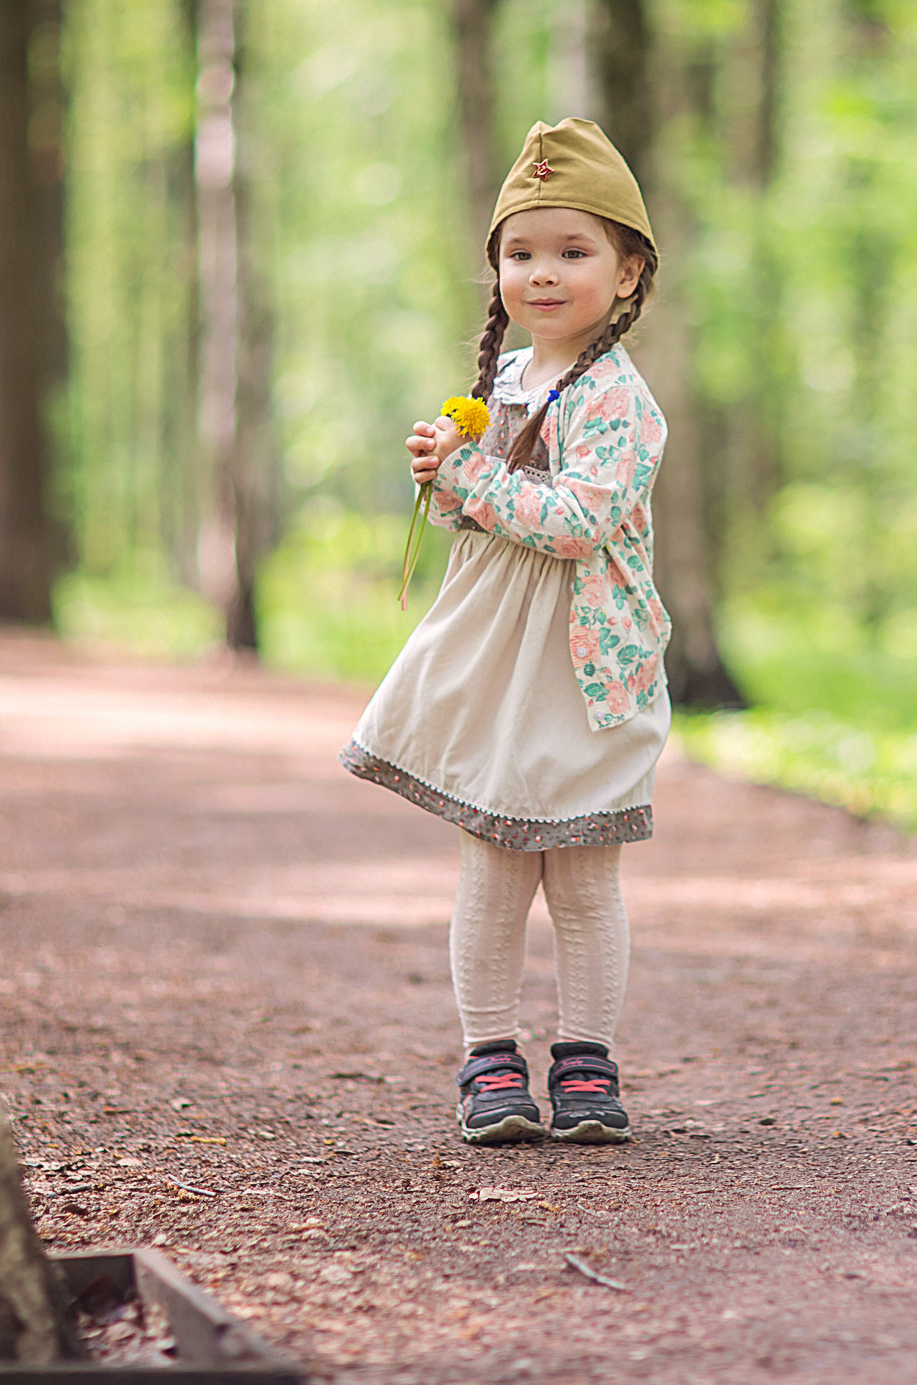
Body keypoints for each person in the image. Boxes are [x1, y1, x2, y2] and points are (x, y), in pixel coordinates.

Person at [341, 118, 671, 1146]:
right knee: (491, 862)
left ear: (626, 274)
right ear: (495, 271)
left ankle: (583, 1059)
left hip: (582, 666)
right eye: (521, 252)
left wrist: (474, 478)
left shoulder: (620, 398)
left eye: (573, 251)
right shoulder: (505, 385)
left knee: (581, 872)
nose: (542, 272)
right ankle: (489, 1058)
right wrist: (441, 479)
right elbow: (476, 520)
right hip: (500, 663)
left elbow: (578, 520)